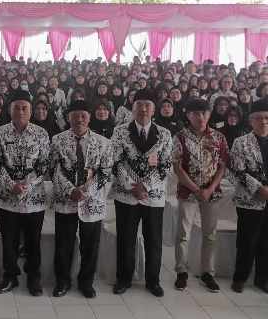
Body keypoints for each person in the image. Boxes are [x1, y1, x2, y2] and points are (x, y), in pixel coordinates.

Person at [110, 88, 173, 297]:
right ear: (132, 108)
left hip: (153, 196)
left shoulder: (164, 134)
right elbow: (116, 161)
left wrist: (145, 185)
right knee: (125, 239)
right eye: (139, 105)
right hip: (126, 195)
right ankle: (123, 279)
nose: (143, 109)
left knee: (153, 239)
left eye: (147, 105)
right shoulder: (120, 131)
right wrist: (131, 185)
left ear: (154, 109)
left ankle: (153, 281)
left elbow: (165, 165)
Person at [0, 89, 50, 297]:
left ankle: (33, 278)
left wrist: (27, 185)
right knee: (10, 240)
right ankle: (10, 276)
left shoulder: (41, 134)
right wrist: (11, 185)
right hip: (7, 198)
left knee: (33, 240)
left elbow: (43, 164)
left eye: (25, 108)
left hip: (34, 198)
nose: (21, 111)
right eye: (17, 108)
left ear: (31, 111)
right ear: (9, 110)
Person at [49, 100, 113, 299]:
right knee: (63, 244)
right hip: (65, 200)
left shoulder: (104, 142)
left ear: (90, 118)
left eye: (83, 116)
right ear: (68, 118)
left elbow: (106, 172)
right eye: (75, 116)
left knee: (90, 245)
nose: (79, 120)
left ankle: (86, 282)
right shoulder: (57, 140)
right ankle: (63, 281)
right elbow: (53, 169)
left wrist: (86, 191)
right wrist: (70, 190)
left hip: (92, 201)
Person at [172, 98, 228, 293]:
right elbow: (177, 167)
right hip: (188, 192)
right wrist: (196, 189)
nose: (201, 116)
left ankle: (207, 274)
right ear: (188, 115)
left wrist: (209, 189)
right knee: (183, 234)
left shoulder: (219, 138)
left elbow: (222, 165)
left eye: (204, 113)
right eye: (196, 113)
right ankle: (181, 272)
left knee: (210, 235)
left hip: (212, 193)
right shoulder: (180, 137)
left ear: (209, 114)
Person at [230, 98, 268, 294]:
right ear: (251, 120)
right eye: (259, 118)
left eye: (267, 118)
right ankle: (240, 278)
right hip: (249, 200)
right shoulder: (240, 142)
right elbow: (239, 170)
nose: (264, 122)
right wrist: (260, 189)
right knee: (246, 241)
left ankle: (263, 279)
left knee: (266, 242)